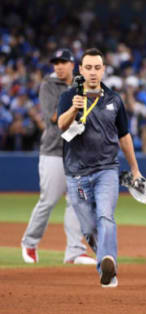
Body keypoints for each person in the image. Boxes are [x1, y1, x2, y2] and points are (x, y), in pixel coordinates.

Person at [57, 48, 143, 288]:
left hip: (107, 170)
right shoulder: (68, 96)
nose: (93, 72)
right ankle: (108, 267)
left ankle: (108, 262)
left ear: (103, 70)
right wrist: (74, 108)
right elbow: (61, 127)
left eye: (97, 68)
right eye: (88, 68)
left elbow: (124, 136)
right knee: (88, 228)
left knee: (105, 215)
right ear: (81, 70)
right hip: (77, 175)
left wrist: (135, 170)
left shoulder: (114, 100)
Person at [21, 49, 96, 265]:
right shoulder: (48, 85)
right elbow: (53, 117)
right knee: (49, 200)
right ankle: (30, 242)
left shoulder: (82, 84)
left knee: (77, 201)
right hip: (54, 151)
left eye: (63, 62)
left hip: (77, 152)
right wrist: (77, 103)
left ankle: (74, 251)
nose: (59, 66)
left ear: (73, 65)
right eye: (56, 63)